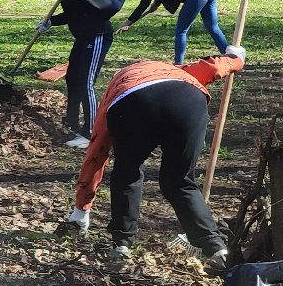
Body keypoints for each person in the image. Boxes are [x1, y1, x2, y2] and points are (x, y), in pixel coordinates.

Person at [62, 51, 247, 270]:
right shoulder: (179, 72)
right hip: (188, 102)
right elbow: (216, 67)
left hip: (133, 104)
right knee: (180, 181)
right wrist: (237, 58)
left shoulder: (118, 85)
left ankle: (122, 245)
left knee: (127, 175)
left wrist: (82, 208)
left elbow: (97, 152)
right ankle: (216, 248)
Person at [33, 0, 124, 148]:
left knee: (85, 81)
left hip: (97, 34)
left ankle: (90, 132)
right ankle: (71, 122)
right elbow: (73, 12)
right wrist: (51, 22)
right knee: (73, 78)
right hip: (83, 36)